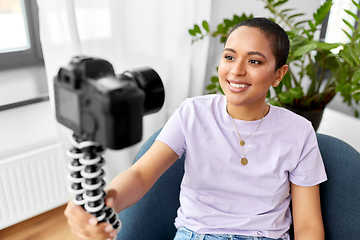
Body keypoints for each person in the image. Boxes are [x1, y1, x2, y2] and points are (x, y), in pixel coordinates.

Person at [64, 17, 327, 240]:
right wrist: (102, 205)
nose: (236, 71)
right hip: (197, 234)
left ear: (278, 75)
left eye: (254, 61)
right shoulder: (193, 113)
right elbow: (141, 175)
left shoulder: (299, 131)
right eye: (229, 57)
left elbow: (307, 225)